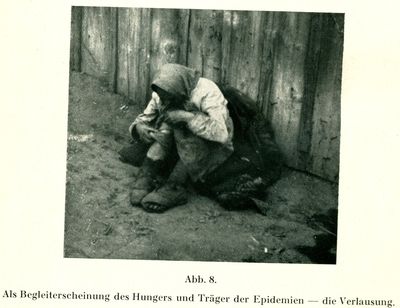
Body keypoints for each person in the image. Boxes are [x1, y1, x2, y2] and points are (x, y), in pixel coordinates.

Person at [119, 63, 283, 214]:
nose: (163, 100)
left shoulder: (207, 93)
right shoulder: (163, 92)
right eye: (161, 97)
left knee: (187, 136)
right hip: (177, 139)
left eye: (167, 97)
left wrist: (187, 117)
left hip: (212, 144)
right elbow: (145, 118)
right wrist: (139, 128)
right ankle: (146, 175)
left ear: (178, 90)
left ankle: (175, 187)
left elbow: (222, 133)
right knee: (165, 128)